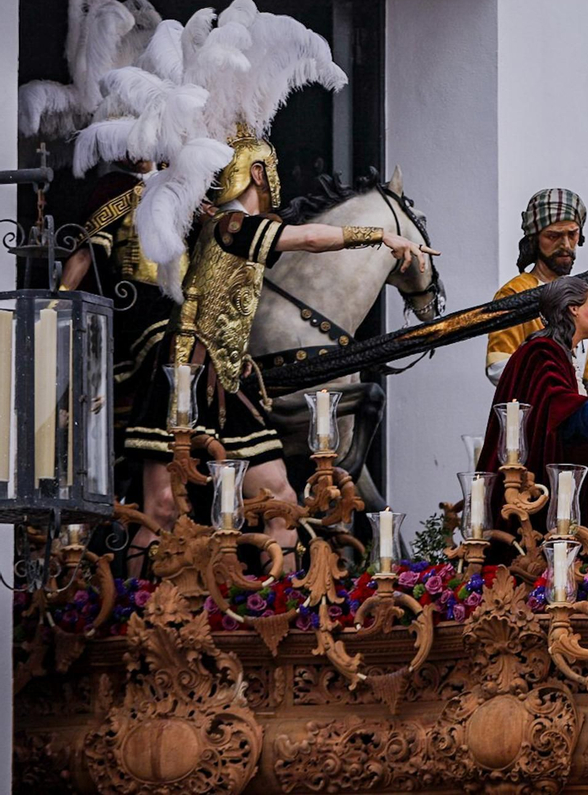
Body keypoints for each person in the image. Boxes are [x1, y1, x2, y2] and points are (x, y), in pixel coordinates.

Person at [127, 133, 437, 566]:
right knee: (160, 509)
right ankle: (132, 605)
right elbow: (309, 239)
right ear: (258, 173)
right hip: (185, 371)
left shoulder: (228, 226)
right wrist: (382, 236)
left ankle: (282, 607)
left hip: (230, 378)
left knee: (283, 505)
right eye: (271, 170)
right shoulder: (231, 226)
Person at [477, 276, 588, 533]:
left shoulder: (555, 352)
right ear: (573, 309)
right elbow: (561, 409)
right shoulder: (542, 351)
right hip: (530, 484)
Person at [57, 160, 171, 448]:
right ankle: (150, 422)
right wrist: (60, 297)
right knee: (163, 340)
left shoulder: (179, 183)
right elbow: (86, 254)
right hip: (135, 301)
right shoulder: (114, 188)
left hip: (178, 296)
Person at [484, 188, 588, 399]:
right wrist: (562, 394)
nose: (565, 245)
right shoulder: (514, 294)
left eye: (572, 234)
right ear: (535, 239)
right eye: (553, 236)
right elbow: (500, 368)